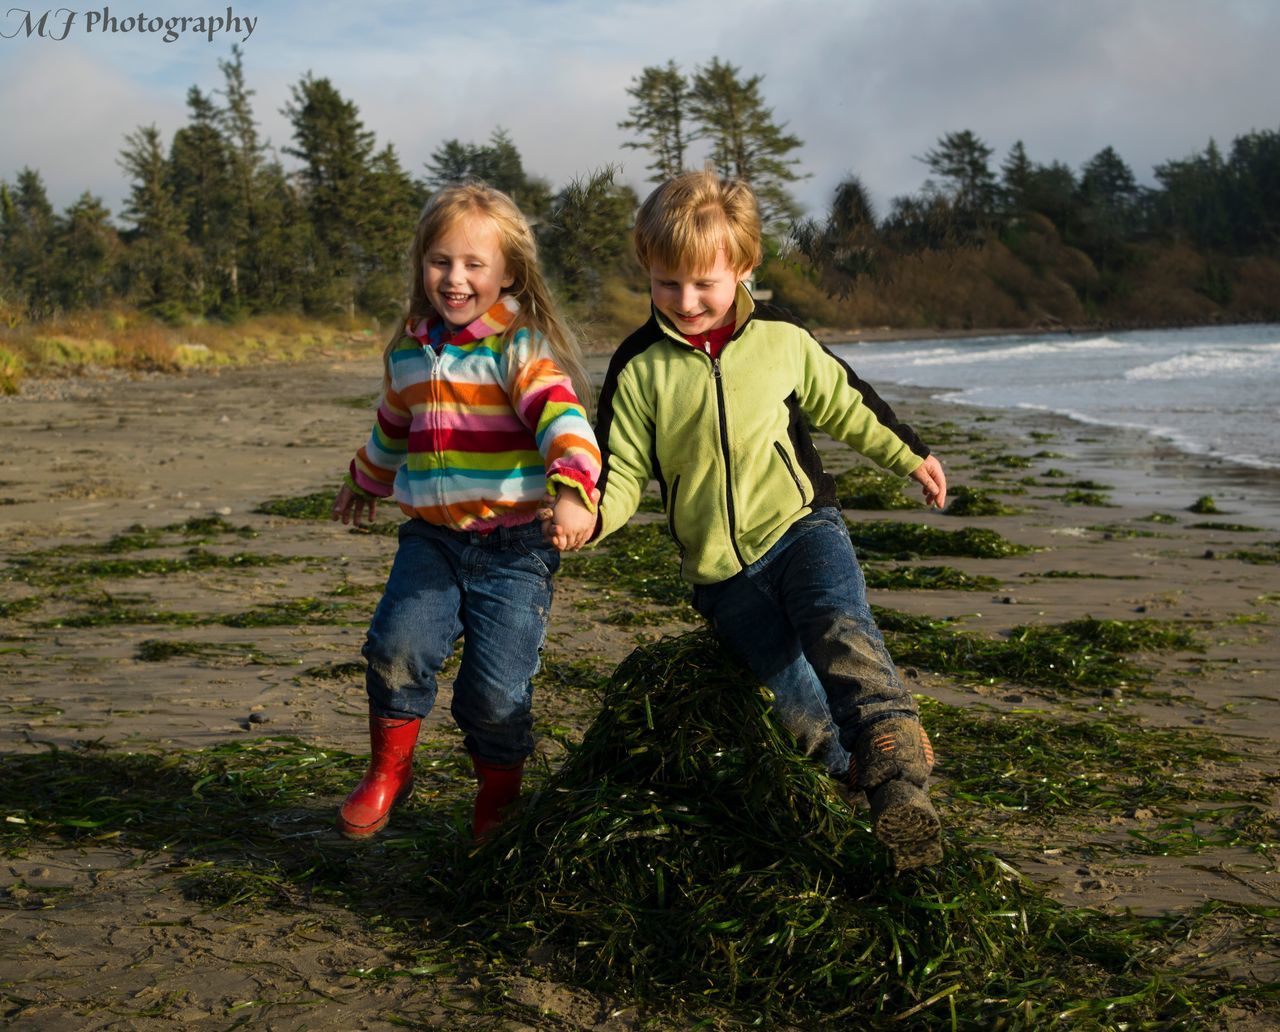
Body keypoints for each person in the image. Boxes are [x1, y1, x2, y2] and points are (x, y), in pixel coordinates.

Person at [591, 170, 948, 871]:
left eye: (704, 284)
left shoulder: (782, 339)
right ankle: (877, 802)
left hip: (804, 528)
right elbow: (620, 472)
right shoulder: (637, 368)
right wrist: (588, 519)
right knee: (797, 703)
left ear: (744, 268)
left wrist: (909, 455)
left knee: (841, 633)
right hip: (722, 574)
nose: (686, 301)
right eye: (667, 284)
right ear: (648, 272)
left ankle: (899, 764)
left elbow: (846, 402)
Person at [331, 183, 600, 843]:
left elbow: (564, 425)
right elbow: (393, 432)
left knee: (495, 694)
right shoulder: (407, 355)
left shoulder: (520, 350)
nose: (455, 279)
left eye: (474, 265)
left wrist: (572, 490)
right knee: (396, 648)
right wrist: (365, 482)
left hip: (515, 550)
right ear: (421, 265)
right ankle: (390, 769)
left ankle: (499, 795)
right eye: (440, 262)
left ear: (507, 272)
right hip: (432, 542)